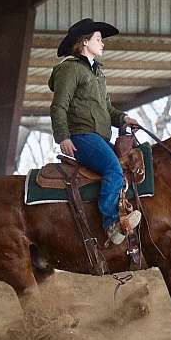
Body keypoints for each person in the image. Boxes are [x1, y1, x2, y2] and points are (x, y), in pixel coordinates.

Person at [49, 18, 141, 245]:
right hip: (82, 136)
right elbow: (59, 105)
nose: (103, 44)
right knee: (112, 167)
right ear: (84, 42)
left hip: (98, 136)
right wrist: (63, 137)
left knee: (127, 163)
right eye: (98, 39)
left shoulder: (97, 74)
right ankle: (111, 223)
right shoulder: (70, 70)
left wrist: (123, 118)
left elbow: (106, 109)